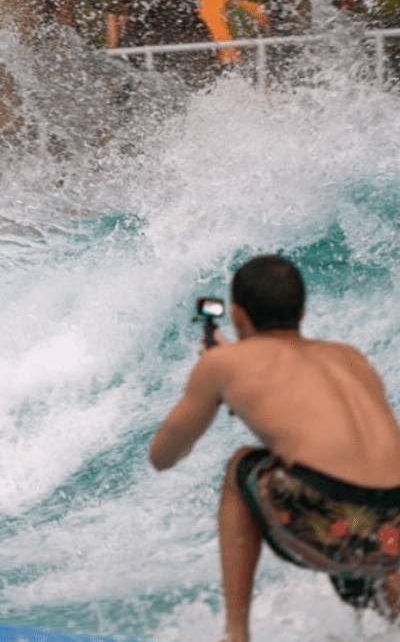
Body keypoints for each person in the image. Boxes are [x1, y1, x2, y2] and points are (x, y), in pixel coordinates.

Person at [149, 253, 400, 641]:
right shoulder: (349, 357)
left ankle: (235, 635)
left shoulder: (224, 364)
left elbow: (162, 457)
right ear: (301, 310)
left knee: (242, 467)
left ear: (237, 315)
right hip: (393, 531)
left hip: (333, 520)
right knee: (363, 525)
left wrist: (214, 377)